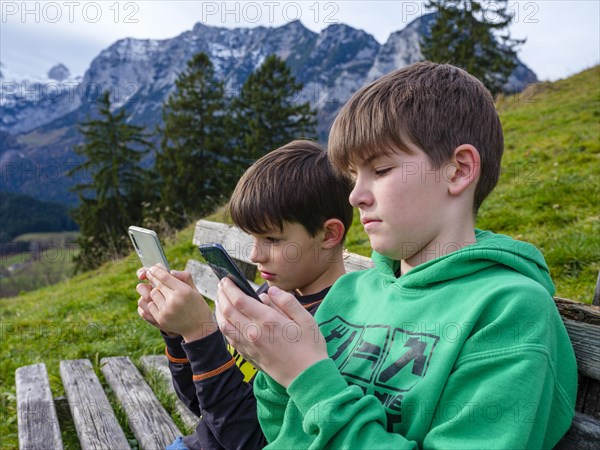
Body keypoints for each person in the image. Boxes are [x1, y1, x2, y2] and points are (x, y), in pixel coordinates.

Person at [215, 61, 578, 449]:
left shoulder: (509, 312)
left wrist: (307, 376)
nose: (355, 196)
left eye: (381, 169)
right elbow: (283, 434)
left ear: (457, 170)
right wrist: (275, 365)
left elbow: (312, 395)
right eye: (354, 176)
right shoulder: (351, 291)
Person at [135, 140, 354, 449]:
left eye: (272, 240)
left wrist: (200, 334)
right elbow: (202, 406)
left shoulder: (332, 326)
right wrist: (176, 332)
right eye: (252, 238)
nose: (255, 255)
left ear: (329, 234)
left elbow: (253, 440)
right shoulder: (268, 296)